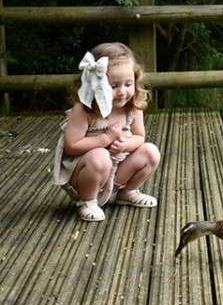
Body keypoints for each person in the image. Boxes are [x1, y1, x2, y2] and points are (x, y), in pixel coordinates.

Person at [53, 42, 161, 221]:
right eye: (113, 86)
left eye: (128, 84)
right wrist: (106, 138)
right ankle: (87, 201)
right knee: (100, 157)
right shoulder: (84, 110)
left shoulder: (132, 107)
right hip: (86, 174)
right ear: (94, 84)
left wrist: (126, 144)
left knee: (151, 152)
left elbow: (139, 137)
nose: (122, 92)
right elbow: (71, 146)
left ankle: (128, 192)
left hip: (117, 169)